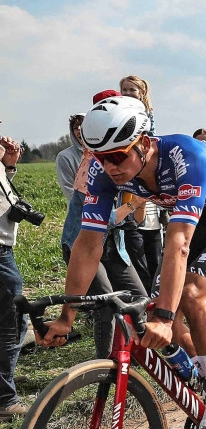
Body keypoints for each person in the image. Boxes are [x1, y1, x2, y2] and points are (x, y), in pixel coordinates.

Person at [39, 96, 206, 429]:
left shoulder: (185, 155)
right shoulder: (105, 173)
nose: (110, 167)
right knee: (157, 311)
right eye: (101, 158)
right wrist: (66, 315)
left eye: (118, 156)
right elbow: (87, 245)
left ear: (144, 143)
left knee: (191, 297)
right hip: (192, 227)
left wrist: (167, 314)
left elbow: (178, 242)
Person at [55, 111, 146, 359]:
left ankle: (140, 356)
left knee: (140, 298)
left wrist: (139, 203)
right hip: (83, 243)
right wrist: (131, 205)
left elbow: (136, 220)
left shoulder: (133, 168)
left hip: (114, 245)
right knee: (106, 304)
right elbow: (101, 223)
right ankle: (105, 365)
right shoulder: (91, 168)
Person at [0, 134, 27, 417]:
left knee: (12, 321)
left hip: (5, 248)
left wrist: (8, 168)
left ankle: (4, 379)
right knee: (12, 322)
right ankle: (5, 399)